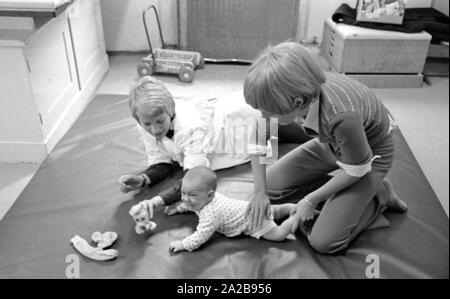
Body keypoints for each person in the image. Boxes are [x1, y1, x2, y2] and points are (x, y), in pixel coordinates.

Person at [243, 41, 407, 254]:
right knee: (270, 185)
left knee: (324, 242)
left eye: (268, 113)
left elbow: (356, 169)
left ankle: (380, 194)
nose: (263, 118)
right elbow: (257, 138)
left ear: (298, 103)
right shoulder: (300, 91)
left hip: (369, 157)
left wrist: (311, 200)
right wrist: (259, 192)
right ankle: (347, 194)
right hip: (331, 144)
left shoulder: (340, 116)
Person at [119, 76, 310, 213]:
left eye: (160, 121)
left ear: (170, 110)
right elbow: (162, 161)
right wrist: (143, 179)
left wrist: (155, 202)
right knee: (277, 127)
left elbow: (194, 181)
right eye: (147, 124)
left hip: (238, 127)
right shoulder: (144, 124)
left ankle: (320, 134)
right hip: (225, 121)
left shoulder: (190, 128)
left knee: (285, 125)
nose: (154, 130)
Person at [166, 167, 299, 253]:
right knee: (275, 210)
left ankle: (296, 217)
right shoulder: (204, 198)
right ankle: (293, 207)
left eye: (192, 195)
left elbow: (200, 236)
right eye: (183, 193)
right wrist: (178, 208)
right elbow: (187, 204)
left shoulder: (210, 214)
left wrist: (182, 244)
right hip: (251, 207)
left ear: (210, 195)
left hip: (253, 221)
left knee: (279, 235)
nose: (185, 198)